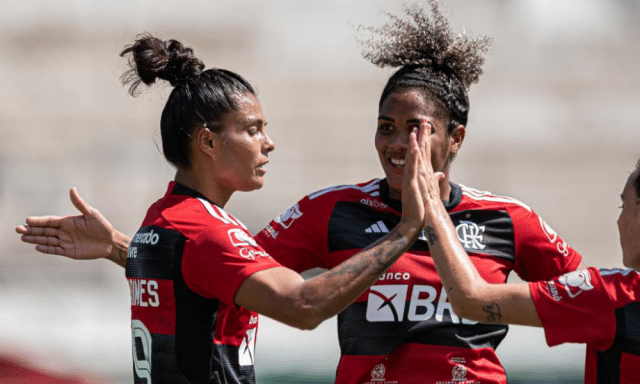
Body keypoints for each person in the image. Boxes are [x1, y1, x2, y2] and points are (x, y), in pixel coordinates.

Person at [17, 2, 584, 383]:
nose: (392, 142)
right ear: (209, 143)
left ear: (454, 138)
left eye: (412, 128)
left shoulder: (510, 221)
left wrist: (128, 246)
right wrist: (411, 228)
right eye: (384, 125)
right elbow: (251, 288)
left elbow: (598, 309)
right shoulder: (330, 210)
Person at [15, 33, 433, 384]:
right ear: (209, 143)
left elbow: (192, 279)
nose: (268, 143)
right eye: (253, 129)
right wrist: (405, 230)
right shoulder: (207, 230)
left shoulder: (159, 221)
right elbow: (302, 306)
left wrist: (116, 247)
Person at [420, 125, 640, 383]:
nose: (618, 220)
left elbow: (468, 298)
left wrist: (431, 203)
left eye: (622, 205)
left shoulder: (614, 296)